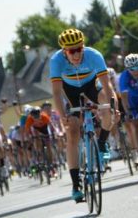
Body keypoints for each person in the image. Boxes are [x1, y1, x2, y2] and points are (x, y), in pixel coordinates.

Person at [50, 28, 116, 203]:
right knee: (72, 131)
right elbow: (56, 93)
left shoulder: (94, 55)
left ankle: (102, 143)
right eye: (72, 51)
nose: (76, 54)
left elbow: (106, 85)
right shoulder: (56, 61)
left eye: (79, 49)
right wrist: (62, 115)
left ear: (83, 46)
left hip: (91, 85)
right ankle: (76, 185)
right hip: (70, 90)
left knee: (108, 107)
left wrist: (112, 104)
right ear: (64, 51)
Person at [24, 106, 55, 176]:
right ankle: (39, 155)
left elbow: (51, 125)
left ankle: (51, 163)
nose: (37, 120)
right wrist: (28, 139)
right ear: (31, 116)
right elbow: (27, 131)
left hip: (44, 129)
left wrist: (54, 133)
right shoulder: (29, 119)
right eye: (35, 118)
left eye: (38, 118)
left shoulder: (44, 116)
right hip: (36, 130)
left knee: (49, 146)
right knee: (36, 140)